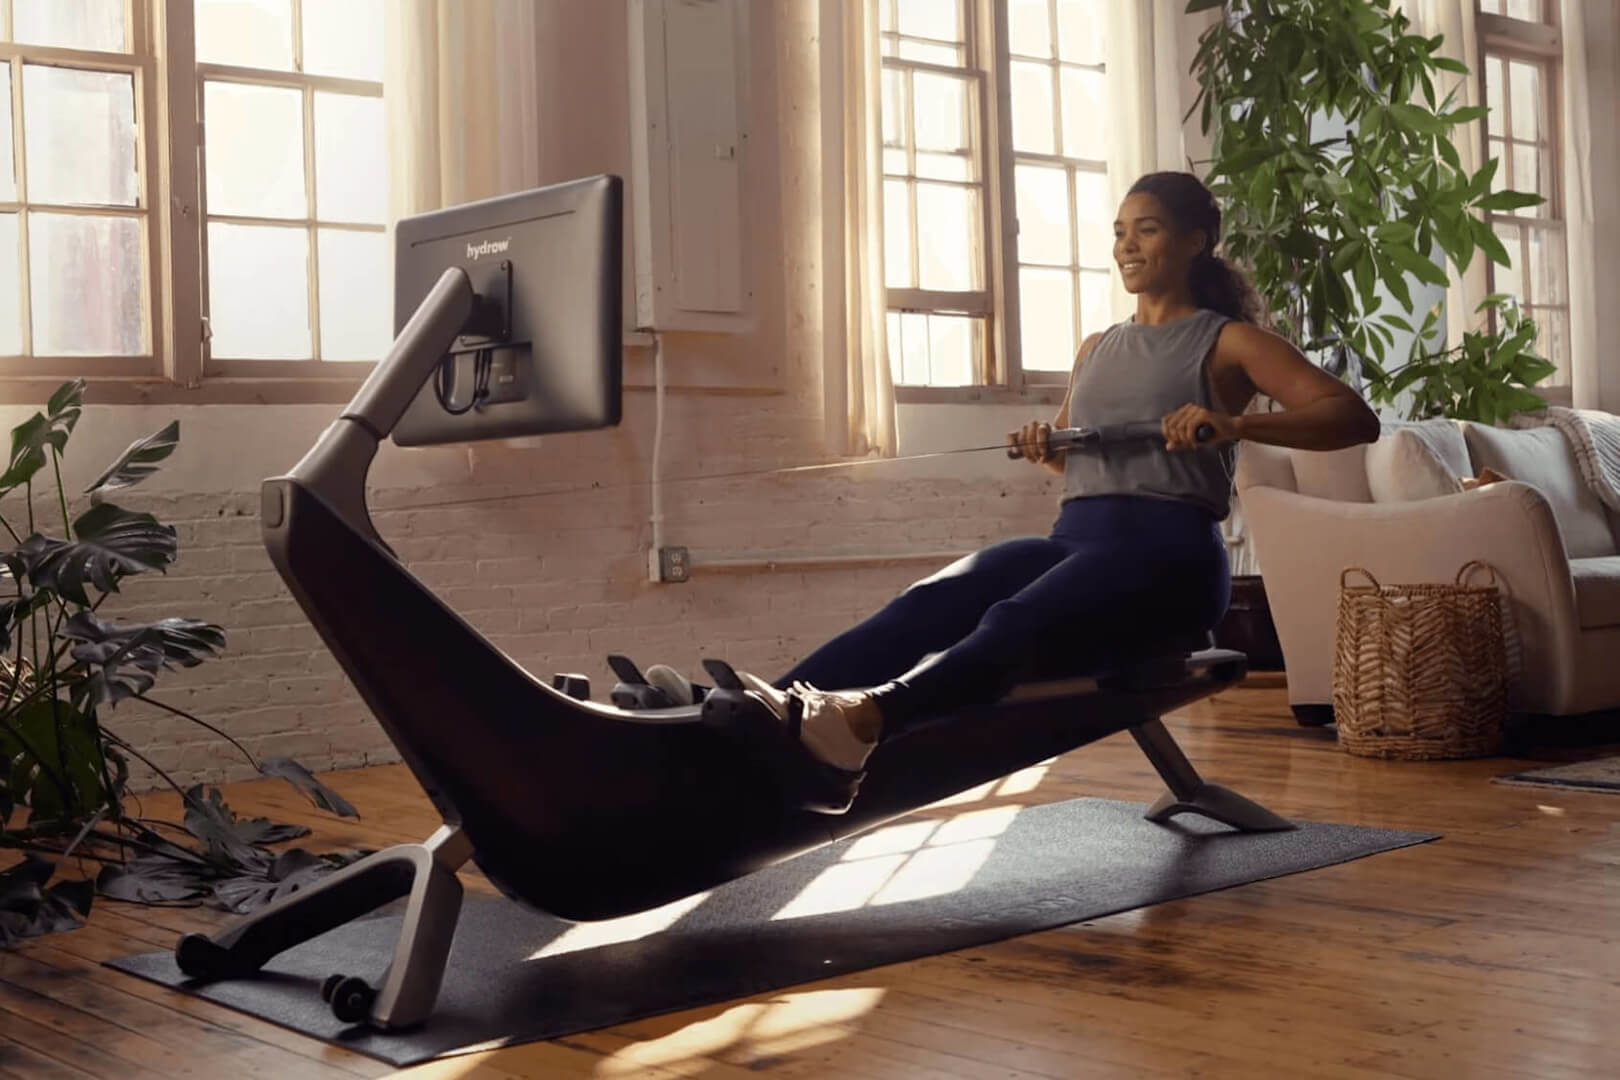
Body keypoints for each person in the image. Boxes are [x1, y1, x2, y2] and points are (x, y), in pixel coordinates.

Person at [648, 171, 1381, 814]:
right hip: (1078, 541)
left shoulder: (1227, 343)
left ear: (1196, 241)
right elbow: (1071, 460)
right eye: (1120, 232)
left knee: (1011, 619)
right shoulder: (1098, 346)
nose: (1128, 246)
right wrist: (1045, 445)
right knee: (933, 600)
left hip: (1169, 558)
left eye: (1147, 230)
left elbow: (1353, 417)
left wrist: (1232, 424)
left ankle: (861, 728)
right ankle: (765, 710)